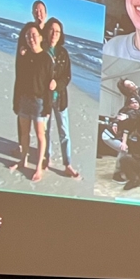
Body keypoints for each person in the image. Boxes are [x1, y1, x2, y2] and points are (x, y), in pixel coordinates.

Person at [10, 23, 54, 182]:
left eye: (34, 35)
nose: (31, 38)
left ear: (41, 37)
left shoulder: (47, 58)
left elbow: (50, 86)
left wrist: (48, 108)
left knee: (40, 135)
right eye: (28, 36)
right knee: (24, 133)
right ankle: (23, 161)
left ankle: (38, 169)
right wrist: (16, 101)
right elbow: (19, 79)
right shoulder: (24, 56)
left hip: (39, 103)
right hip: (24, 100)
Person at [43, 18, 80, 178]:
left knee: (64, 132)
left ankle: (67, 164)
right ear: (46, 31)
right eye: (51, 30)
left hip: (60, 99)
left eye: (57, 31)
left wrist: (56, 84)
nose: (54, 34)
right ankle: (47, 158)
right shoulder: (41, 50)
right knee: (45, 131)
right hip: (43, 99)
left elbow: (67, 77)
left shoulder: (63, 53)